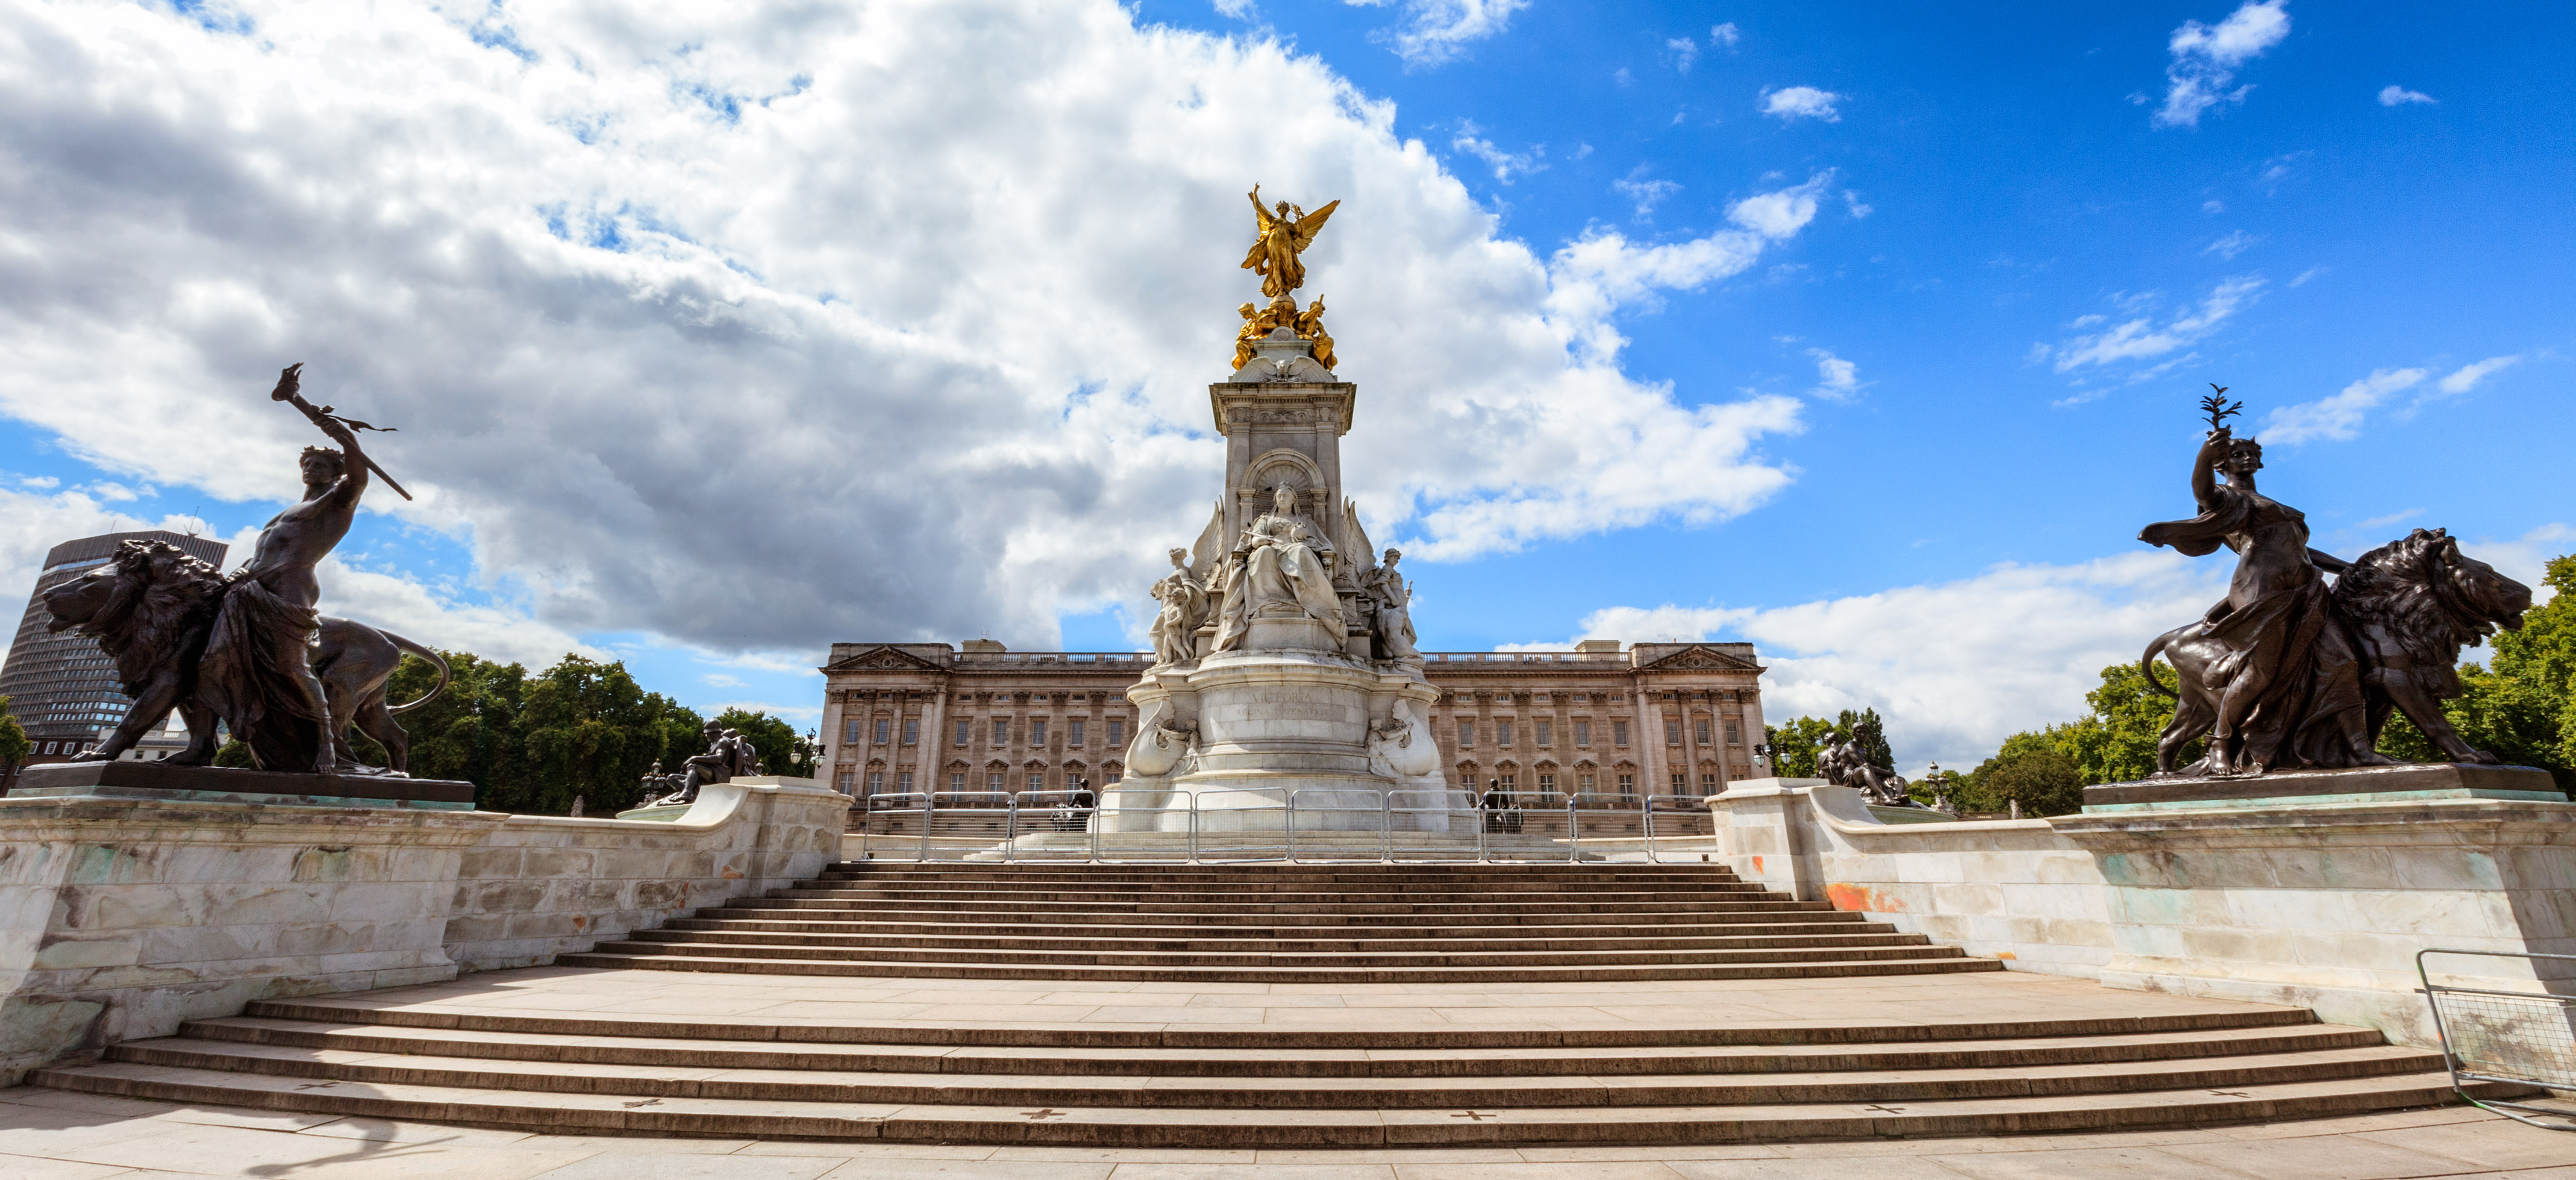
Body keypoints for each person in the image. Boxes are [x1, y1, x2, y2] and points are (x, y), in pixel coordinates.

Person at [2140, 426, 2381, 775]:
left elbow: (2302, 550)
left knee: (2343, 660)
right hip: (2260, 589)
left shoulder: (2274, 506)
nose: (2247, 457)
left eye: (2251, 453)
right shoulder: (2226, 498)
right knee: (2258, 673)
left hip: (2305, 588)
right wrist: (2204, 457)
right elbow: (2202, 490)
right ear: (2223, 463)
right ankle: (2221, 743)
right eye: (2237, 454)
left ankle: (2359, 749)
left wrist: (2351, 567)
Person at [198, 365, 375, 773]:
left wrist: (345, 438)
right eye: (308, 463)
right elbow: (263, 552)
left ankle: (328, 745)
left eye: (320, 465)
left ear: (335, 473)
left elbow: (360, 477)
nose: (311, 468)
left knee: (290, 667)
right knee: (213, 660)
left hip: (290, 588)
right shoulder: (287, 511)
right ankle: (200, 746)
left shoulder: (337, 501)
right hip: (249, 589)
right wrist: (241, 572)